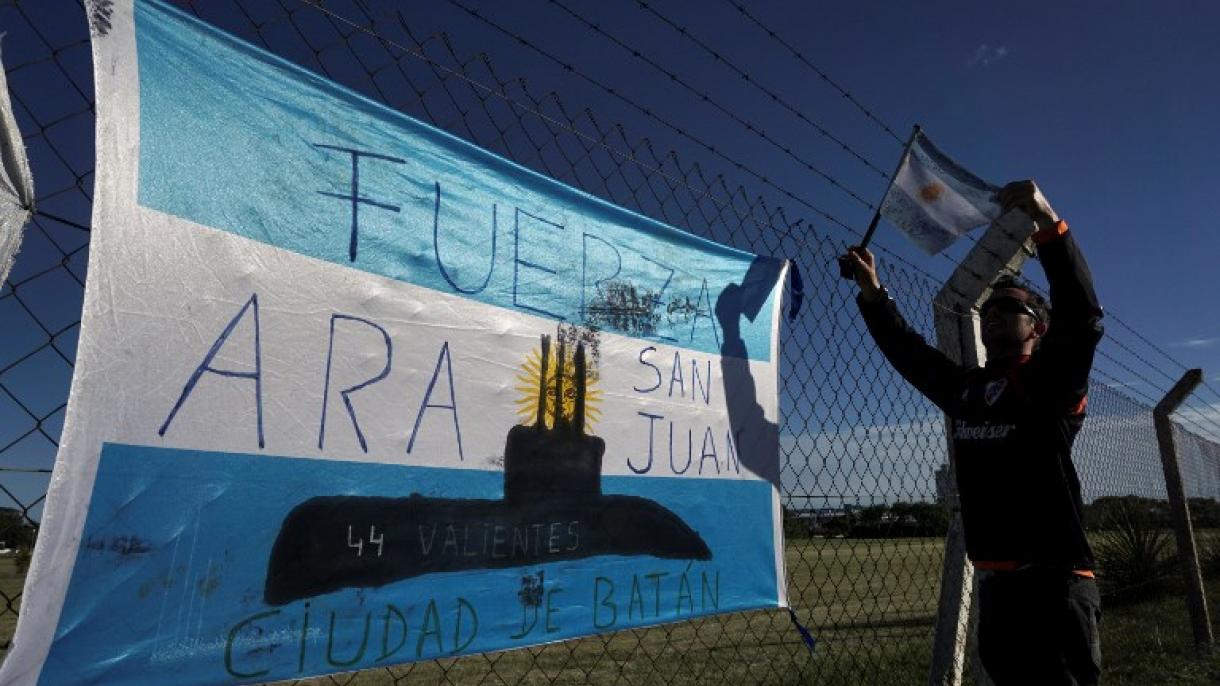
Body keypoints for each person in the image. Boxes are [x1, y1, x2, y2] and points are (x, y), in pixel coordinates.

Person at [841, 180, 1104, 685]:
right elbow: (911, 355)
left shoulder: (1049, 382)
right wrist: (874, 295)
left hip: (1056, 582)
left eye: (1009, 309)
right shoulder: (966, 389)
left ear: (1038, 329)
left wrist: (1050, 225)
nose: (993, 316)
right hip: (998, 584)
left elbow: (1081, 316)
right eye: (988, 309)